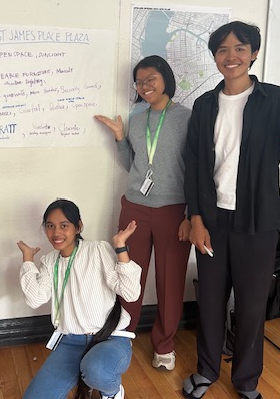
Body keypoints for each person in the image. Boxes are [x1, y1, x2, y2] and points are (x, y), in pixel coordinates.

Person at [181, 21, 280, 399]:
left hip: (258, 222)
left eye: (240, 48)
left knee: (252, 307)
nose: (231, 56)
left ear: (253, 53)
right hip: (212, 221)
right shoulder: (205, 105)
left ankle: (246, 381)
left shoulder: (275, 100)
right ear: (215, 58)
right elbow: (194, 165)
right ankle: (206, 371)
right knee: (209, 301)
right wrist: (195, 219)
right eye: (223, 50)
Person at [94, 55, 192, 371]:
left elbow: (196, 170)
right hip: (135, 207)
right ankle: (122, 336)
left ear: (166, 78)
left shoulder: (188, 118)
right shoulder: (136, 120)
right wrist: (120, 139)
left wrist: (191, 214)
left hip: (173, 211)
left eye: (150, 78)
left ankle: (164, 345)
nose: (144, 85)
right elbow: (133, 165)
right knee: (128, 277)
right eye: (139, 81)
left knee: (170, 282)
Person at [17, 199, 142, 399]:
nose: (56, 232)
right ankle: (90, 374)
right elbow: (35, 298)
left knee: (97, 371)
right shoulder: (50, 262)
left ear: (79, 227)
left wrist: (120, 247)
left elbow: (130, 293)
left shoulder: (97, 250)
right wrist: (28, 260)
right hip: (70, 342)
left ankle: (111, 392)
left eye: (64, 225)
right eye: (50, 226)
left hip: (109, 337)